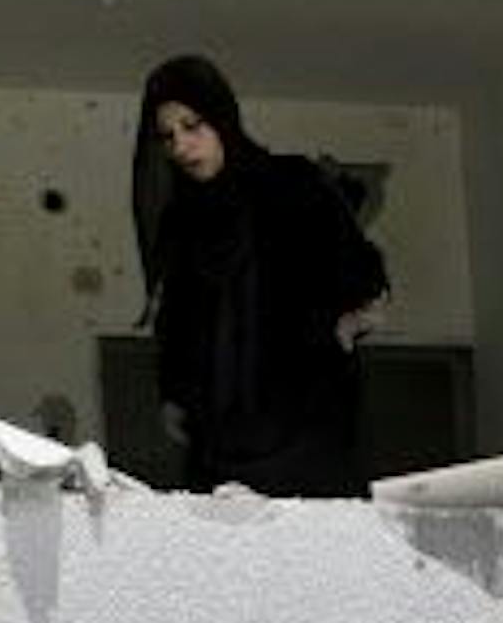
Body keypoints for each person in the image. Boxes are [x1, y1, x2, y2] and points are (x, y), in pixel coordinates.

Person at [132, 56, 389, 497]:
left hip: (304, 426)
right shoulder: (183, 222)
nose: (181, 146)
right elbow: (178, 318)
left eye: (193, 126)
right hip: (217, 444)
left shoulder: (292, 185)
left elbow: (362, 277)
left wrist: (350, 323)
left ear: (222, 119)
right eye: (168, 136)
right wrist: (175, 392)